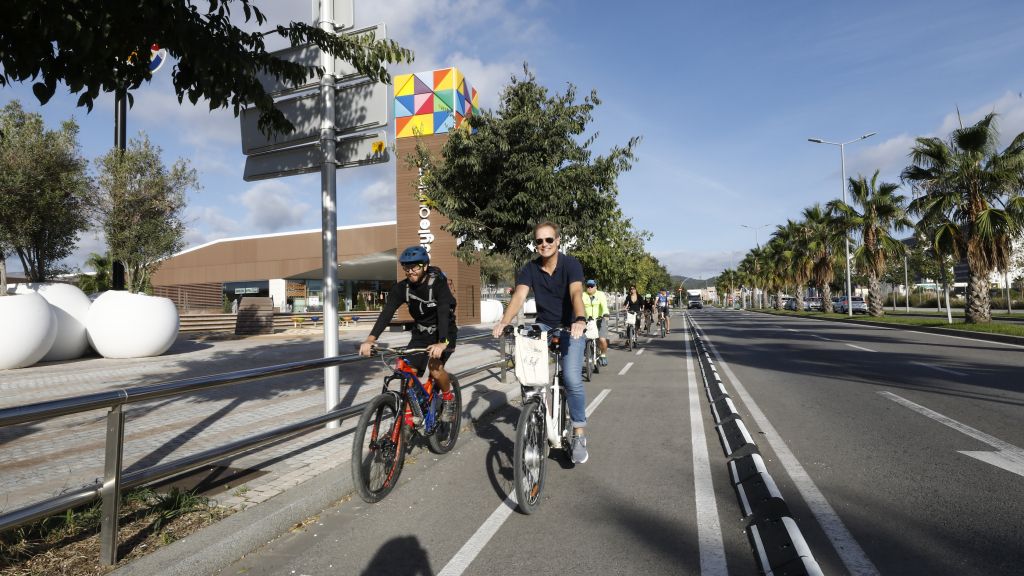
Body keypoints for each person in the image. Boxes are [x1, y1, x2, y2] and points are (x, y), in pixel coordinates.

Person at [492, 221, 590, 464]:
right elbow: (520, 296)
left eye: (549, 240)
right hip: (544, 324)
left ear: (557, 241)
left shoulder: (571, 264)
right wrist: (504, 321)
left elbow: (576, 293)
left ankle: (578, 433)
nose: (544, 244)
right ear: (535, 245)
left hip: (571, 326)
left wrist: (579, 319)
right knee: (528, 375)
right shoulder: (530, 268)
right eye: (539, 241)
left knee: (571, 379)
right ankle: (535, 414)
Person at [360, 246, 458, 423]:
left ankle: (448, 397)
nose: (411, 271)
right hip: (421, 333)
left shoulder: (437, 284)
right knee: (408, 372)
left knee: (435, 369)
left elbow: (443, 311)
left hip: (445, 331)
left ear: (425, 266)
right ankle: (413, 413)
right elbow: (387, 313)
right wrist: (370, 339)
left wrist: (442, 342)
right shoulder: (402, 288)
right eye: (407, 268)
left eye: (416, 267)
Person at [583, 279, 610, 366]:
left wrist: (605, 314)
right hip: (587, 321)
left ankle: (603, 355)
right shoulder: (583, 295)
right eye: (588, 286)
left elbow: (604, 305)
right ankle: (587, 352)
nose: (589, 288)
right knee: (583, 339)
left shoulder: (600, 294)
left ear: (596, 287)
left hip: (599, 319)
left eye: (591, 286)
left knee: (602, 339)